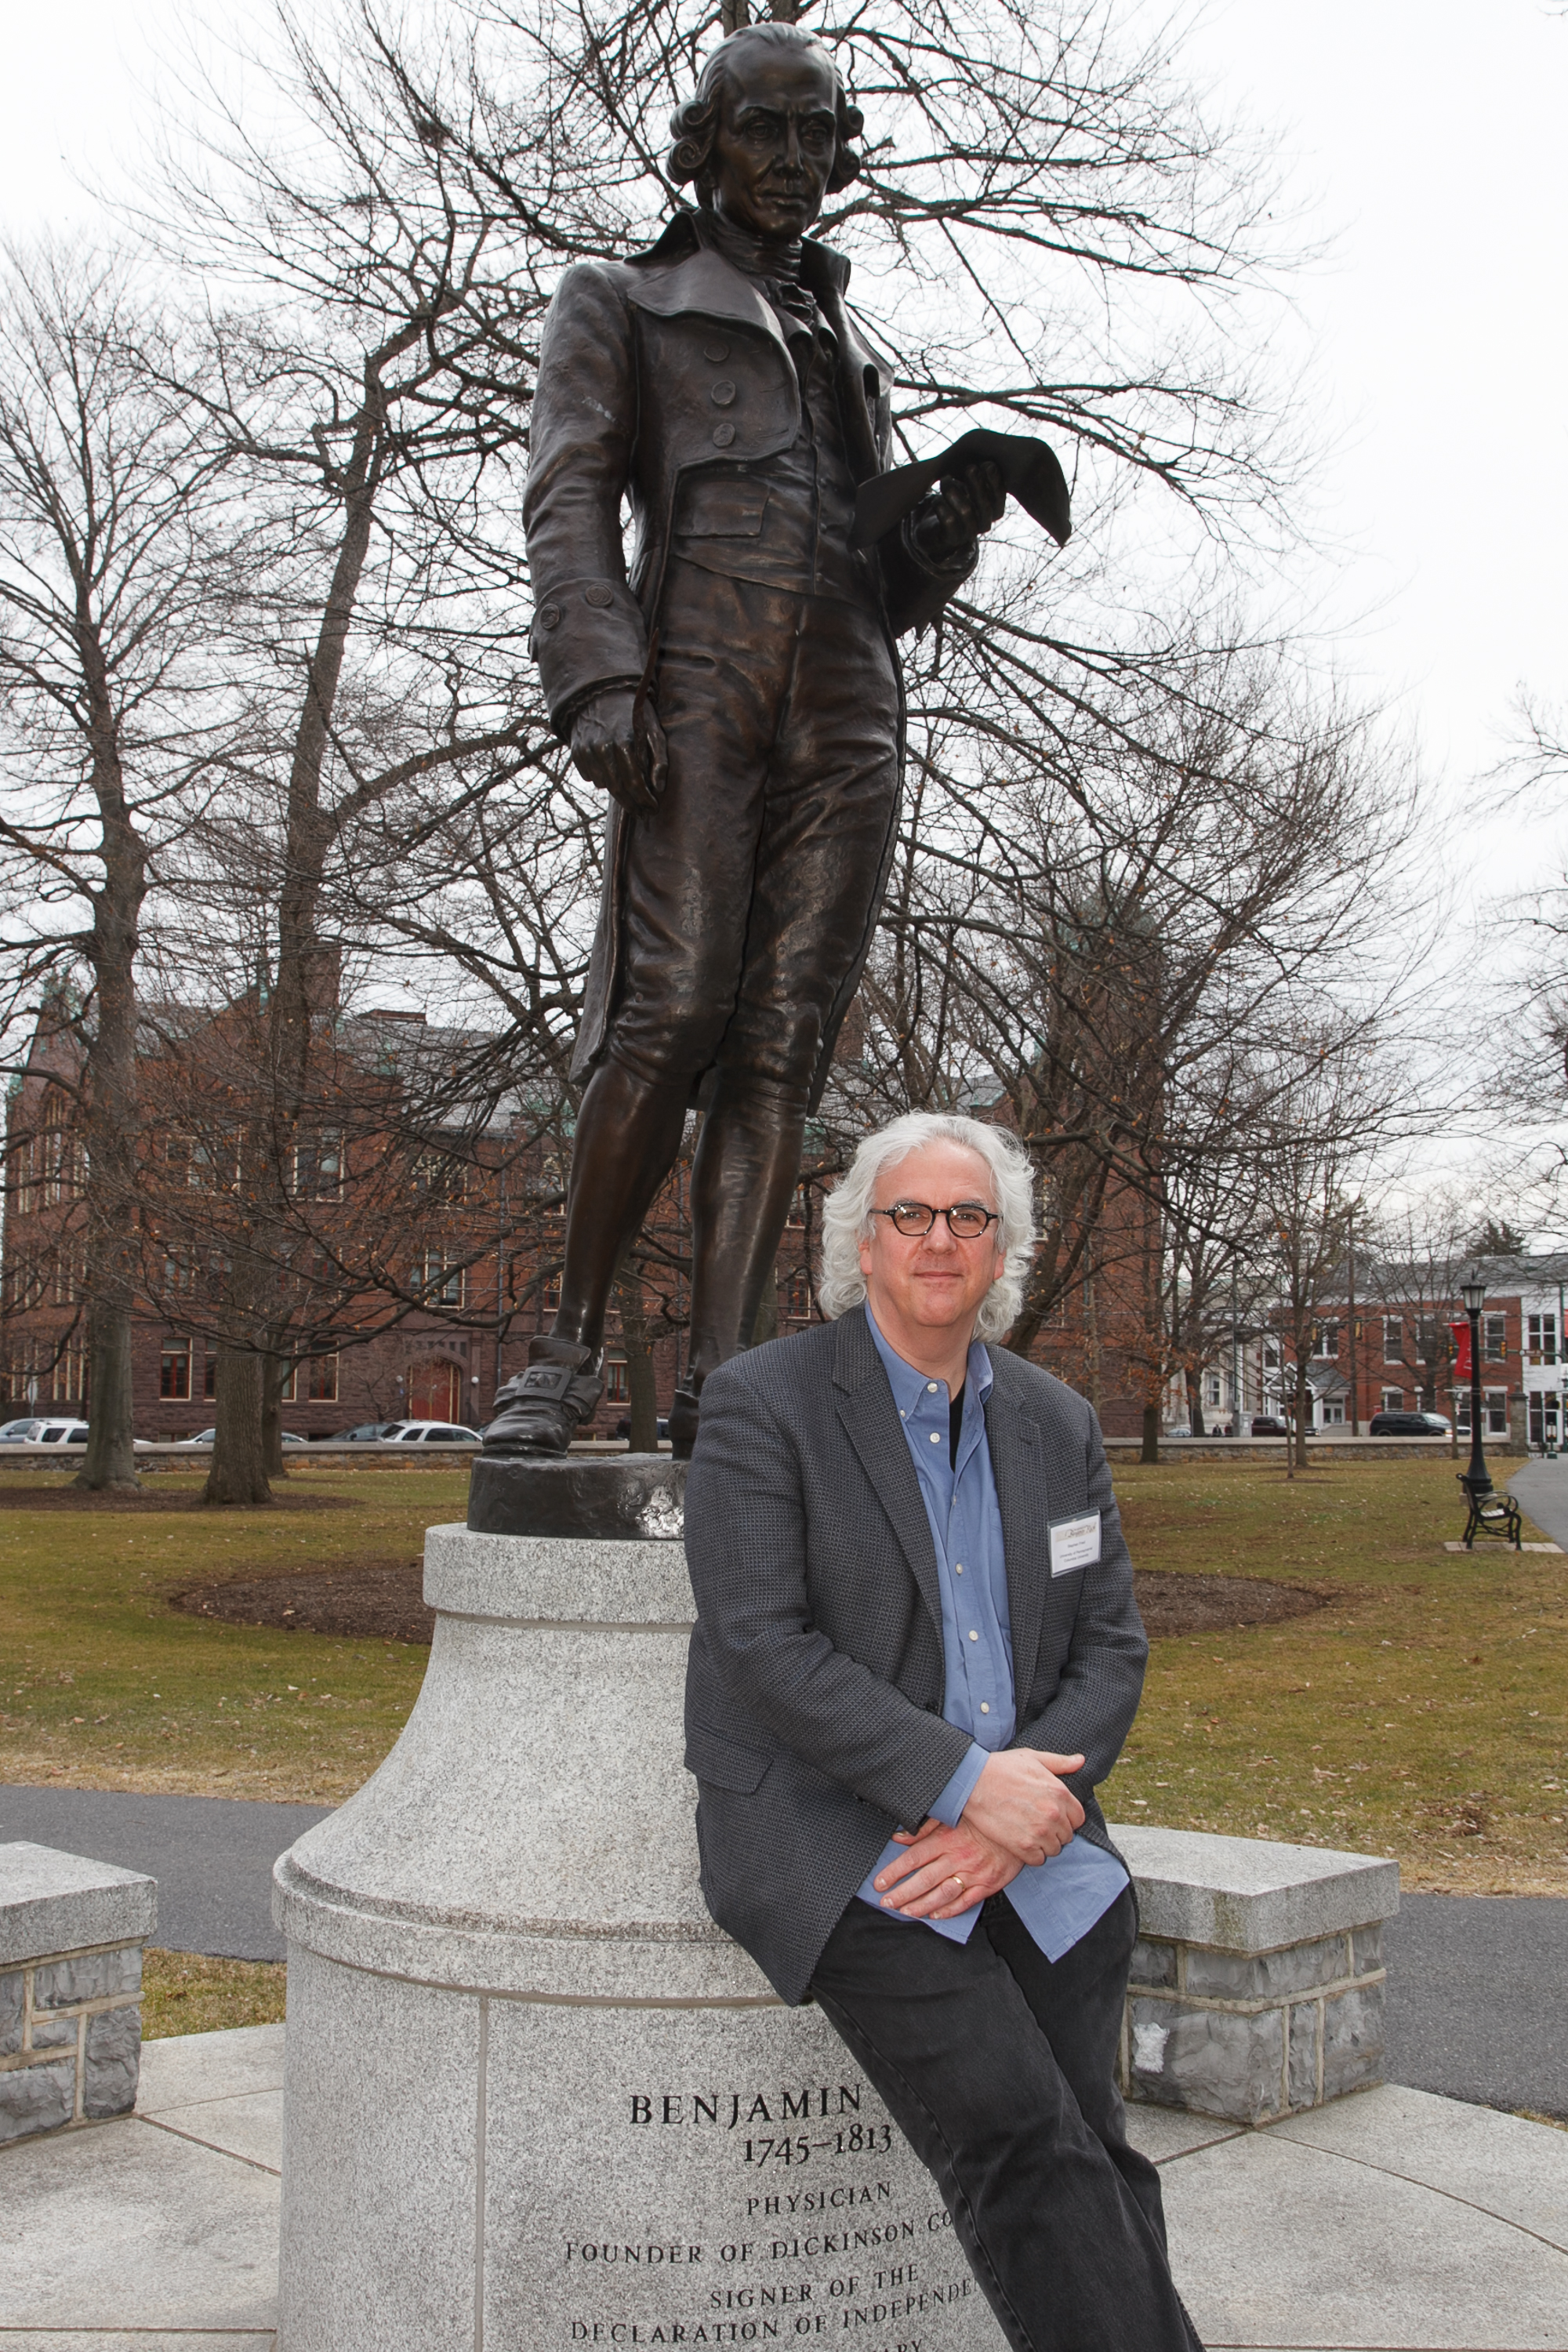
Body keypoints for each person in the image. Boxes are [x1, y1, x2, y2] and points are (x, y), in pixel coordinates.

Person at [485, 20, 1008, 1457]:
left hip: (846, 701)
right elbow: (570, 498)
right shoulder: (620, 300)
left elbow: (876, 585)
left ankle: (724, 1377)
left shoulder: (845, 332)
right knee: (671, 1012)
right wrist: (596, 677)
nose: (793, 162)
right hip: (699, 675)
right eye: (762, 130)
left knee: (780, 1044)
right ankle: (567, 1351)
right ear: (705, 141)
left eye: (816, 135)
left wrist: (945, 537)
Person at [683, 1111, 1203, 2352]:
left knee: (1099, 2157)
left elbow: (1110, 1649)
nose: (938, 1238)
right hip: (851, 1844)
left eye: (968, 1217)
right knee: (1027, 2148)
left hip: (1039, 1853)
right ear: (861, 1246)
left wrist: (1018, 1825)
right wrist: (969, 1791)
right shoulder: (766, 1404)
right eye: (908, 1214)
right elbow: (764, 1644)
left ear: (999, 1250)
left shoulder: (1057, 1421)